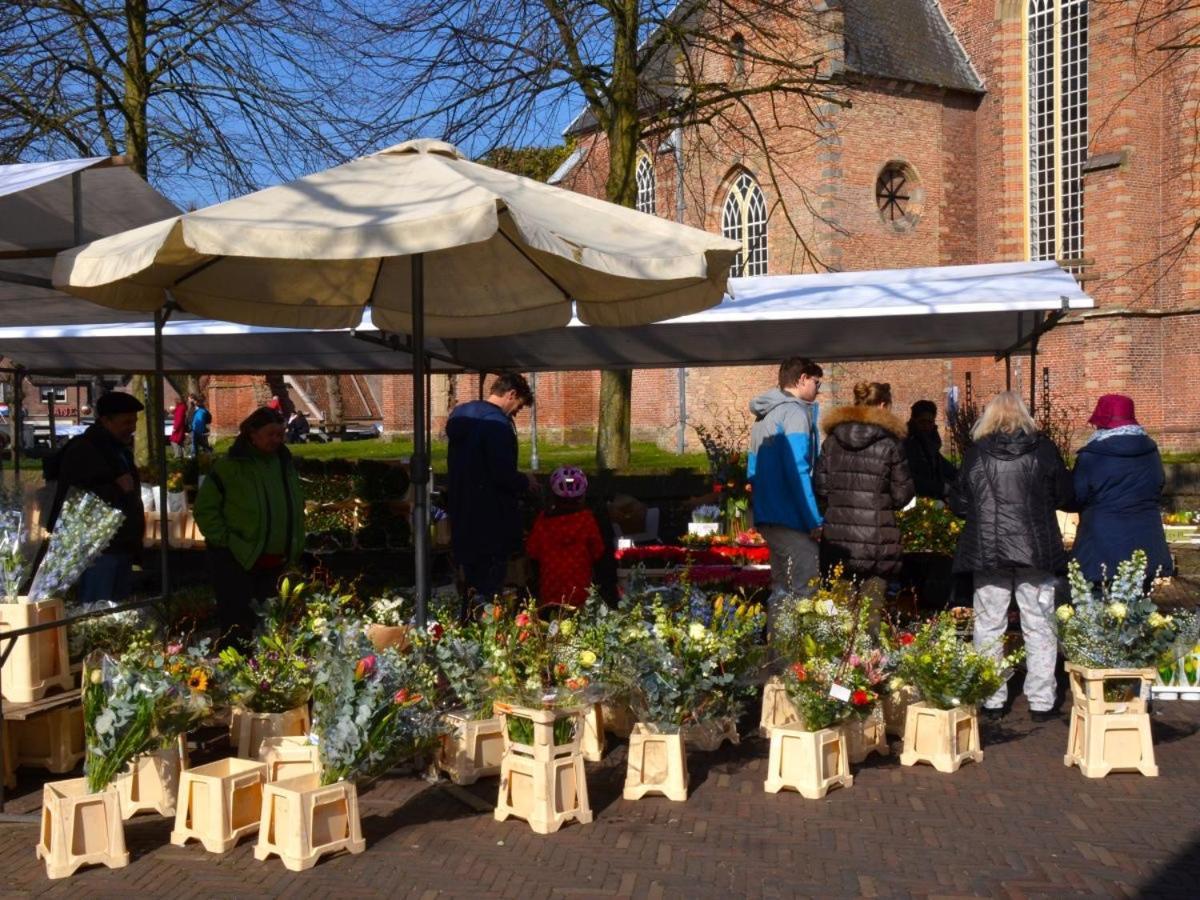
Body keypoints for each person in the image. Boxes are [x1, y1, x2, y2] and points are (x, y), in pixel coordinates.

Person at [949, 391, 1074, 722]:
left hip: (988, 549)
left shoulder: (976, 454)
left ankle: (993, 698)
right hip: (1036, 548)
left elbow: (960, 502)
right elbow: (1064, 493)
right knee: (1040, 624)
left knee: (989, 625)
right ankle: (1042, 699)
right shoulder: (1043, 450)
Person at [194, 408, 305, 648]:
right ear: (252, 434)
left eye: (280, 434)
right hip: (236, 561)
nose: (277, 440)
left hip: (276, 562)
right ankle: (233, 674)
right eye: (271, 434)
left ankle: (267, 677)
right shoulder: (230, 467)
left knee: (274, 626)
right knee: (237, 626)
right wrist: (225, 540)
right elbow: (205, 509)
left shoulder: (284, 464)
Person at [814, 382, 915, 626]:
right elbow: (903, 496)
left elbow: (821, 489)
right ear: (882, 405)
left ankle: (837, 664)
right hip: (876, 541)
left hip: (838, 541)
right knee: (870, 619)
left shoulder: (831, 441)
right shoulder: (890, 444)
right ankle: (867, 663)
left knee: (839, 621)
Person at [446, 372, 536, 618]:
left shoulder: (461, 417)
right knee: (489, 589)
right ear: (511, 394)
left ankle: (468, 630)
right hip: (491, 518)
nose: (514, 414)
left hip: (462, 513)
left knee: (469, 584)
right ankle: (486, 639)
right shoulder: (496, 425)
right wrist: (524, 481)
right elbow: (501, 474)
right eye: (517, 408)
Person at [47, 391, 146, 603]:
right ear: (105, 421)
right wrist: (117, 488)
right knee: (96, 609)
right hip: (98, 548)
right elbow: (75, 498)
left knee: (115, 608)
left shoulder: (117, 449)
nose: (133, 428)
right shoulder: (85, 450)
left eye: (134, 421)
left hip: (119, 543)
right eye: (126, 422)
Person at [747, 357, 824, 628]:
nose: (818, 389)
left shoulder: (764, 414)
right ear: (802, 379)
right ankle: (800, 661)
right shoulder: (794, 413)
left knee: (781, 591)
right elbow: (799, 470)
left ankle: (778, 658)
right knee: (804, 591)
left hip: (769, 513)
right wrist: (814, 519)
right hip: (791, 516)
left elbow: (752, 468)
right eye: (816, 382)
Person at [1071, 394, 1172, 585]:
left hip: (1101, 542)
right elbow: (1159, 484)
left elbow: (1078, 494)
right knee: (1140, 608)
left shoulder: (1092, 455)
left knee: (1098, 606)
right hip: (1146, 537)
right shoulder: (1150, 452)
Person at [525, 465, 604, 610]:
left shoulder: (543, 521)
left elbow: (532, 551)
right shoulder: (587, 520)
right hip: (580, 590)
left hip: (550, 590)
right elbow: (598, 551)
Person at [903, 399, 958, 500]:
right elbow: (910, 477)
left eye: (930, 422)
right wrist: (941, 488)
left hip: (932, 496)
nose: (926, 426)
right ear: (914, 420)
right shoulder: (907, 442)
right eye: (922, 422)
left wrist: (960, 478)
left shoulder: (931, 441)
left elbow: (941, 464)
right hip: (915, 498)